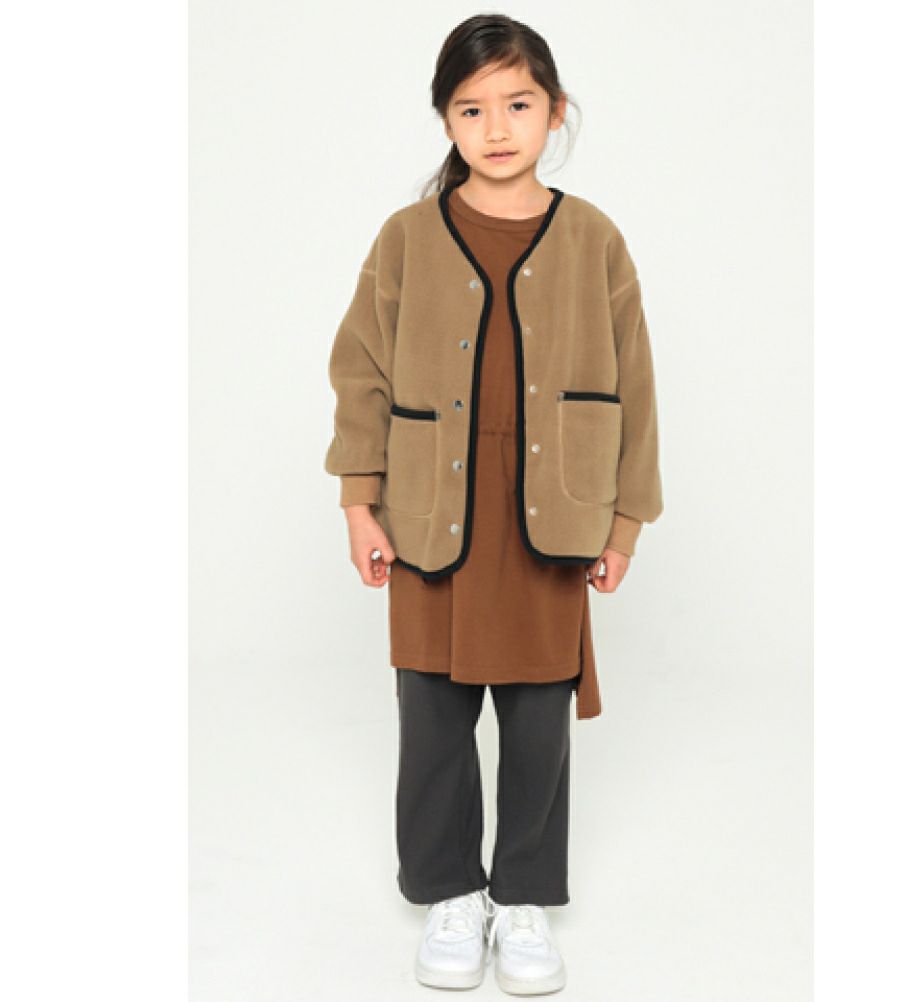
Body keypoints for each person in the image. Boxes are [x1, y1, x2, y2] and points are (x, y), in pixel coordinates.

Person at [323, 13, 664, 994]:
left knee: (537, 722)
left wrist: (624, 523)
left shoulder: (594, 239)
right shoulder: (406, 238)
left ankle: (521, 898)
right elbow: (360, 371)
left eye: (518, 104)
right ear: (445, 121)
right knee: (431, 716)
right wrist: (360, 503)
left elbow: (636, 386)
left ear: (555, 112)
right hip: (429, 513)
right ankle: (449, 891)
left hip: (552, 515)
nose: (497, 127)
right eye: (471, 109)